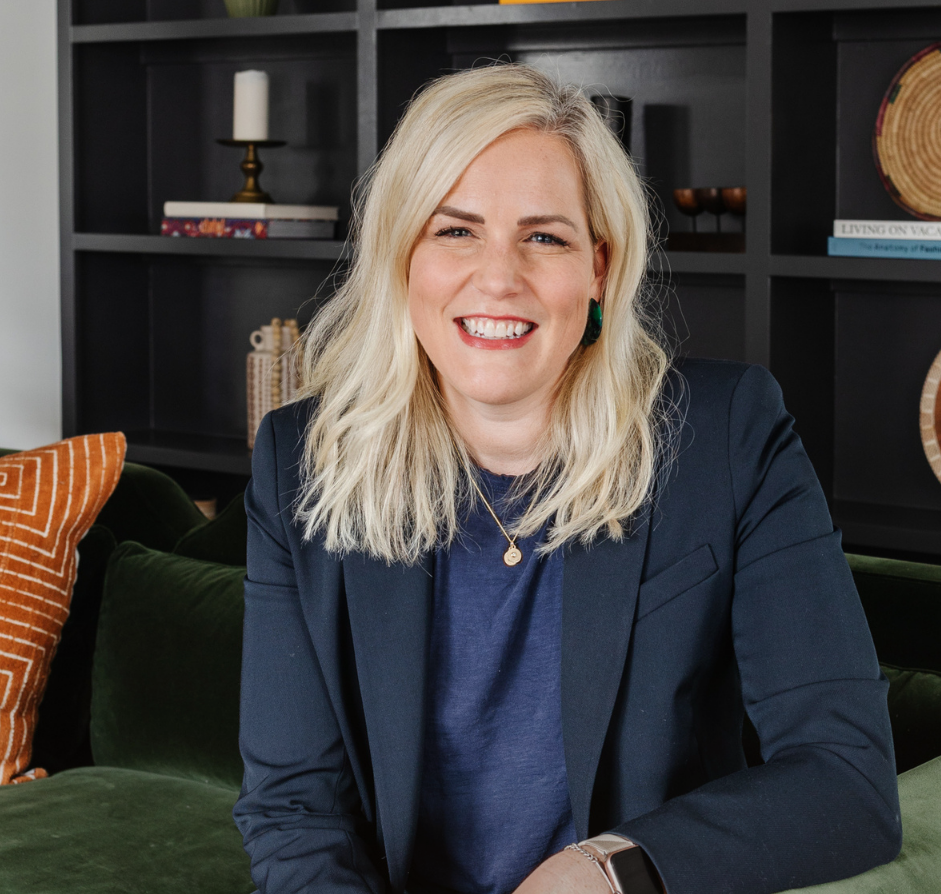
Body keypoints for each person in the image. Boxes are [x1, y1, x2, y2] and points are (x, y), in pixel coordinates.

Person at [234, 63, 901, 894]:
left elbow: (845, 777)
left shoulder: (727, 435)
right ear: (400, 257)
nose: (498, 276)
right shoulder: (301, 460)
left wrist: (604, 870)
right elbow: (295, 806)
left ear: (598, 268)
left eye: (544, 237)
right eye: (455, 230)